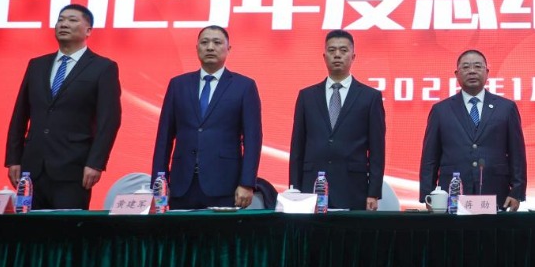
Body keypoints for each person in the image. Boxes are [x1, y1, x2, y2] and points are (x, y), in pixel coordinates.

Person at [5, 4, 122, 209]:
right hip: (31, 168)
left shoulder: (103, 68)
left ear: (88, 30)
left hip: (74, 168)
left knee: (67, 227)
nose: (64, 24)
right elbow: (20, 114)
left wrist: (95, 163)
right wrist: (13, 159)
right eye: (60, 20)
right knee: (29, 227)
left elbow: (109, 121)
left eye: (72, 20)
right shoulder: (37, 65)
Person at [152, 26, 262, 209]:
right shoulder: (178, 84)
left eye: (217, 42)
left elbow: (252, 140)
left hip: (225, 184)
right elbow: (164, 137)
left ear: (228, 49)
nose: (210, 47)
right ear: (197, 48)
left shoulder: (244, 86)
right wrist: (159, 183)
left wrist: (247, 183)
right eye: (204, 42)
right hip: (181, 184)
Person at [419, 50, 527, 211]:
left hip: (496, 192)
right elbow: (430, 157)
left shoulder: (506, 108)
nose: (472, 71)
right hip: (452, 195)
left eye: (477, 66)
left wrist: (517, 192)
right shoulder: (441, 110)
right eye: (466, 67)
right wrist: (428, 194)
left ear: (487, 72)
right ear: (457, 74)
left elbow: (517, 154)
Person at [289, 30, 385, 210]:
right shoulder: (307, 96)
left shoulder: (370, 97)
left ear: (353, 56)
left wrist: (373, 192)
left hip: (352, 187)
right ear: (324, 56)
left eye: (343, 50)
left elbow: (377, 150)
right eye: (332, 50)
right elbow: (297, 148)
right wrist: (294, 188)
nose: (337, 55)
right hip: (311, 186)